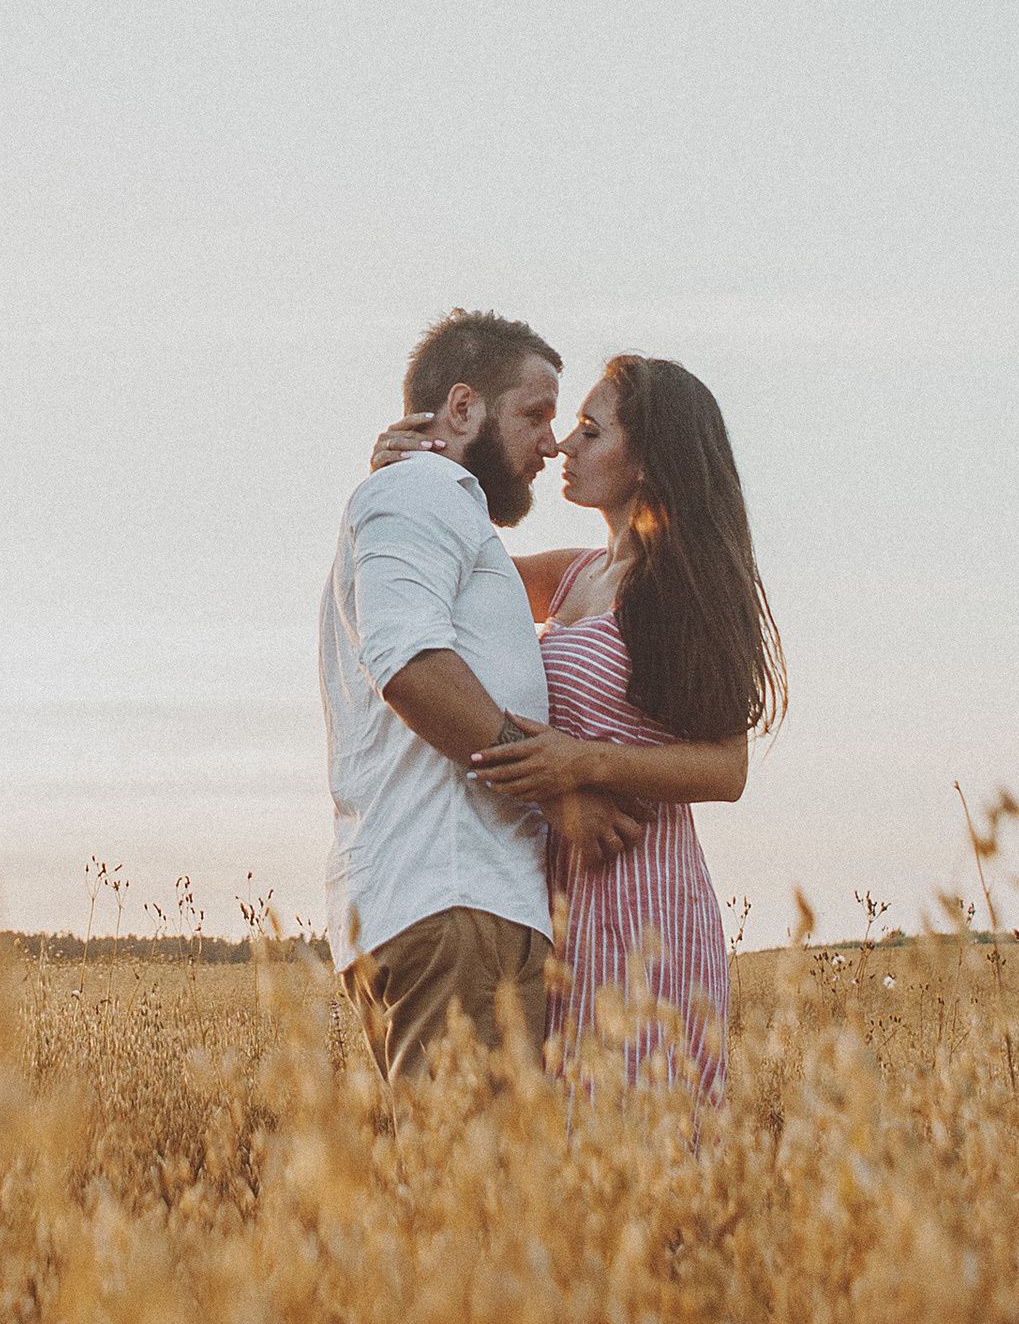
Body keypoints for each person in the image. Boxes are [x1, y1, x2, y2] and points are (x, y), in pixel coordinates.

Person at [320, 312, 718, 1090]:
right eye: (537, 416)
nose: (554, 442)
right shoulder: (422, 495)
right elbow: (409, 664)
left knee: (487, 1191)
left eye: (574, 425)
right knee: (470, 1195)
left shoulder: (453, 520)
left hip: (505, 901)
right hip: (453, 893)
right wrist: (557, 789)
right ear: (463, 410)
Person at [467, 354, 785, 1116]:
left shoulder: (681, 581)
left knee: (645, 1151)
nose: (563, 448)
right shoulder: (578, 575)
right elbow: (447, 571)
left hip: (649, 901)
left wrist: (583, 764)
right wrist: (411, 465)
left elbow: (727, 768)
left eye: (589, 430)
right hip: (556, 891)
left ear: (646, 461)